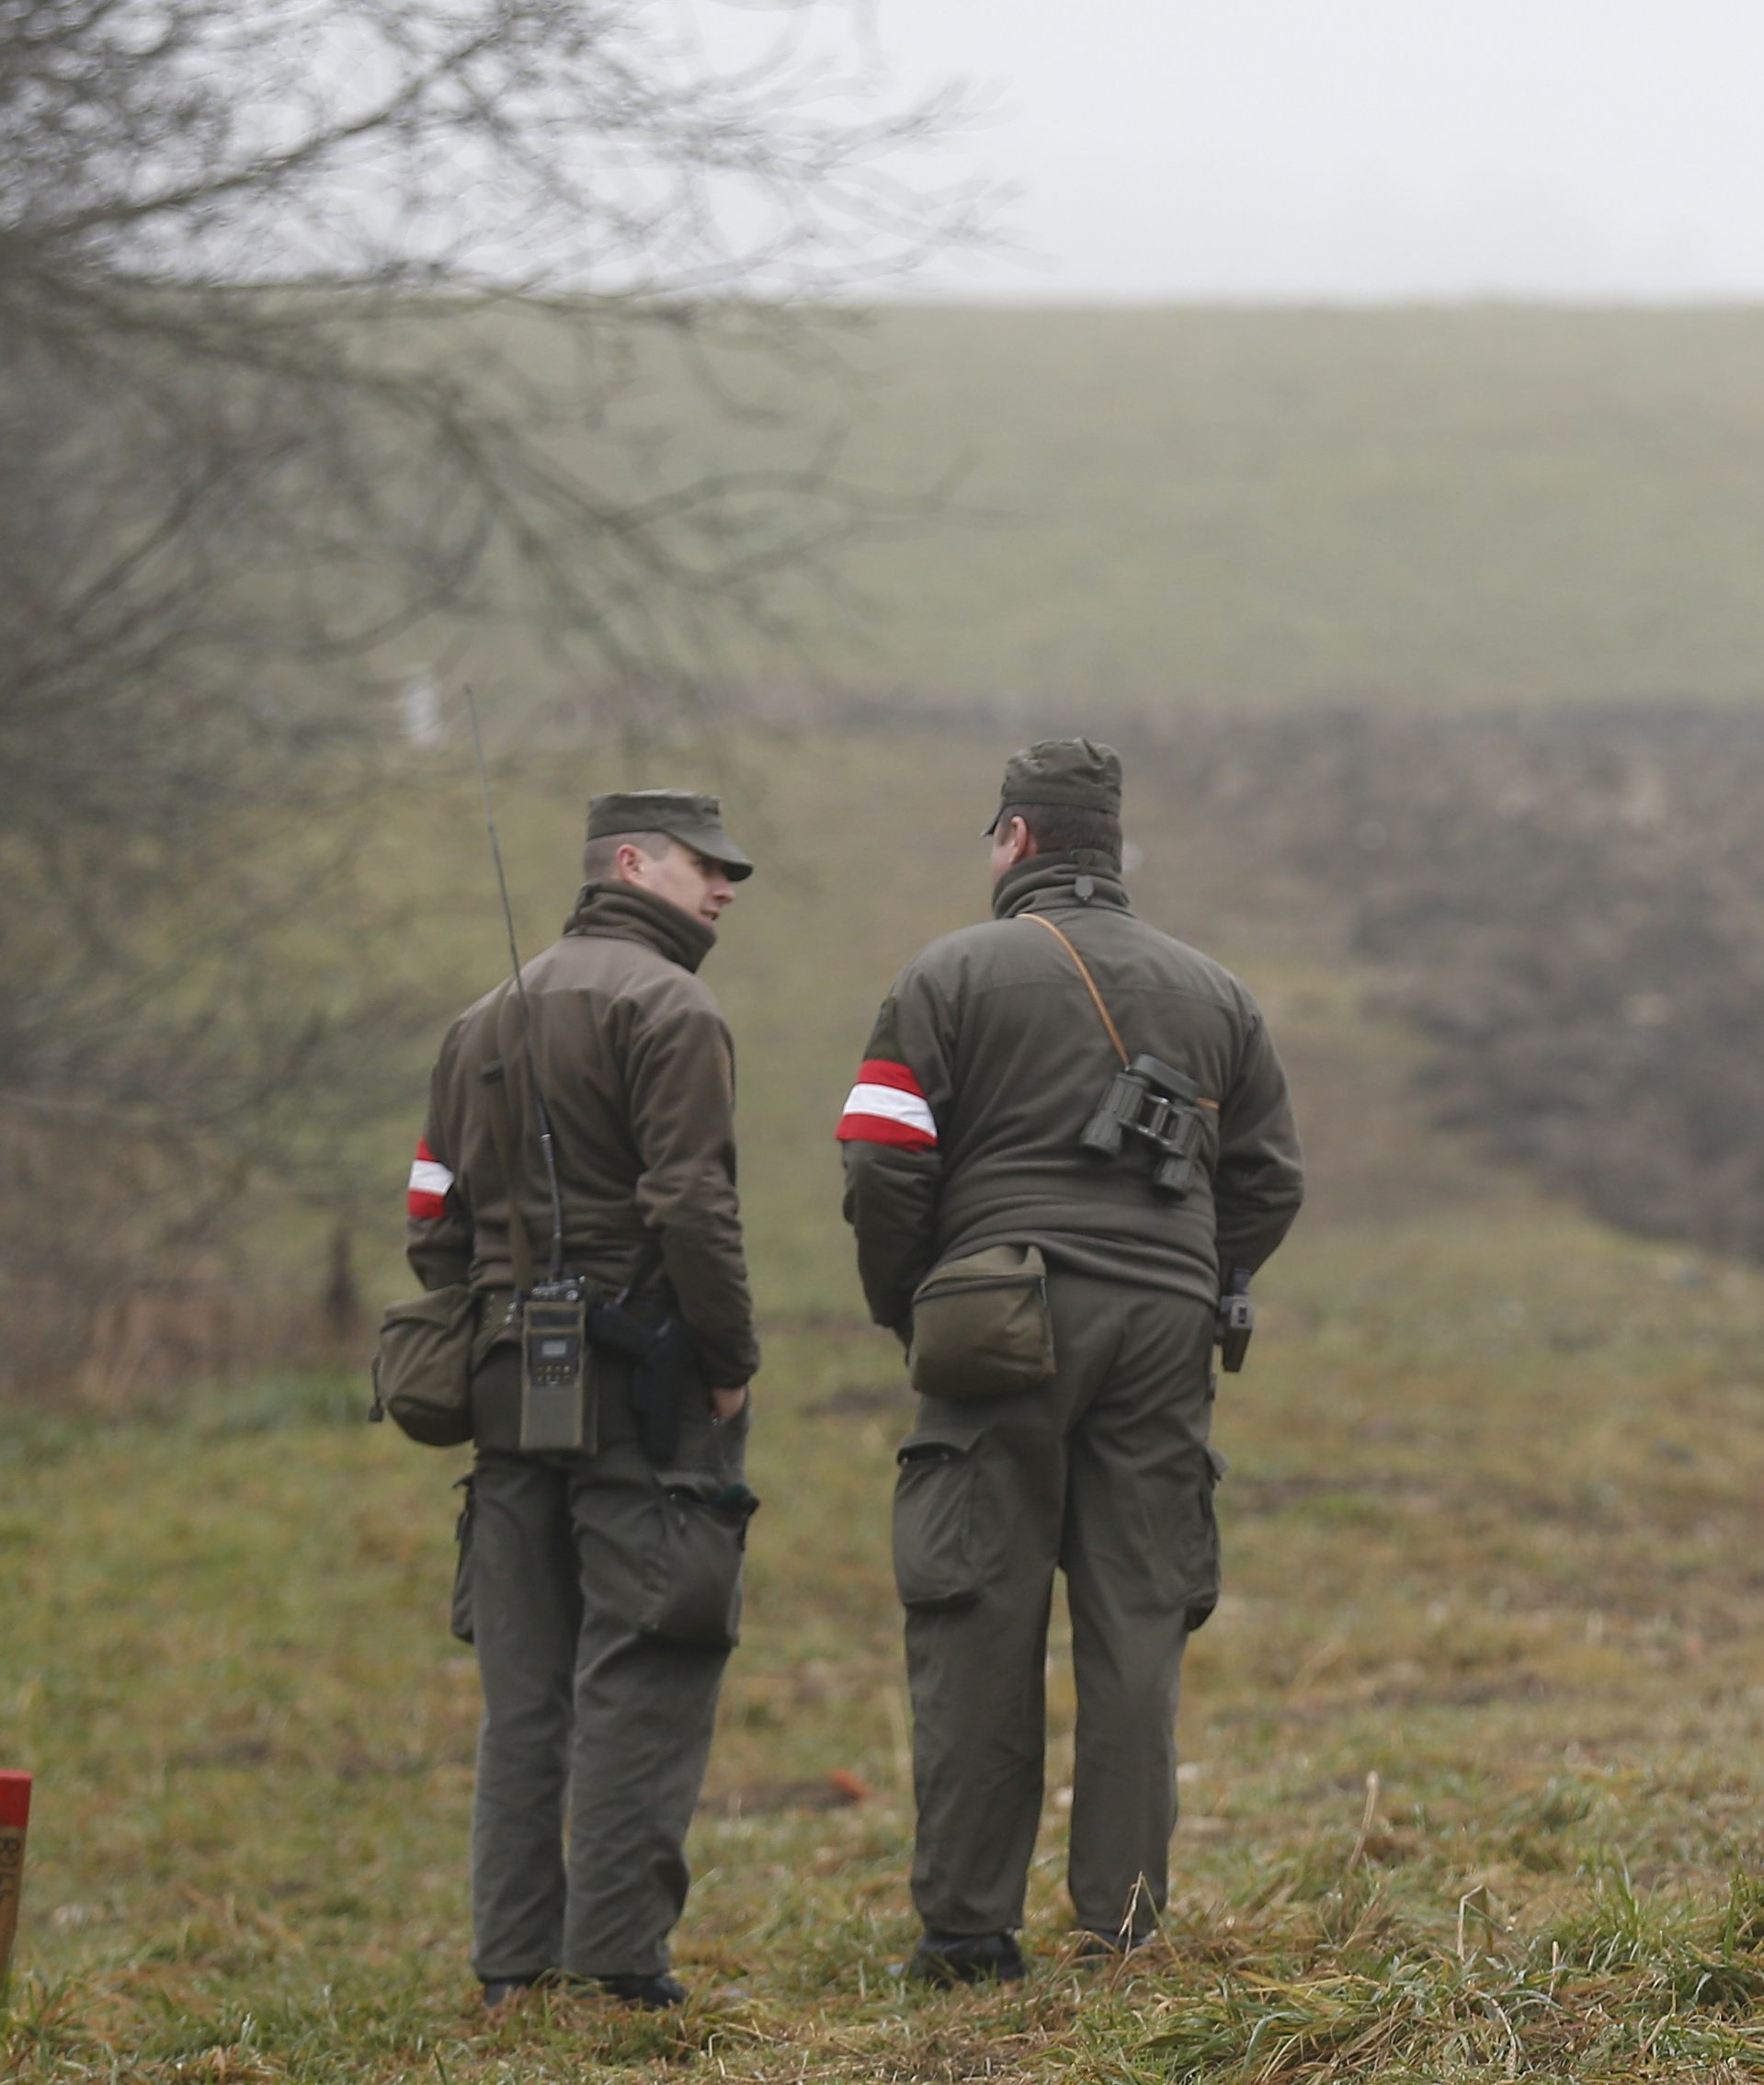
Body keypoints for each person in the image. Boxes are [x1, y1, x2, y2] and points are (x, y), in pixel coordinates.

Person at [839, 737, 1304, 1984]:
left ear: (1014, 842)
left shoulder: (945, 975)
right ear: (1111, 850)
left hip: (995, 1316)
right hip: (1163, 1329)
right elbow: (1268, 1182)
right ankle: (1124, 1927)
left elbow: (883, 1158)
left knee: (975, 1616)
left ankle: (967, 1937)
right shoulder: (1218, 994)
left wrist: (919, 1303)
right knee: (1137, 1622)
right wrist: (1190, 1272)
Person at [404, 791, 763, 2011]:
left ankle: (510, 1969)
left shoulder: (475, 1019)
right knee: (646, 1661)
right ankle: (617, 1964)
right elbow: (690, 1205)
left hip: (505, 1390)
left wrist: (491, 1314)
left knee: (523, 1688)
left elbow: (429, 1218)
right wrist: (729, 1358)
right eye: (703, 866)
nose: (724, 887)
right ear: (629, 862)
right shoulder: (673, 1008)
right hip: (641, 1391)